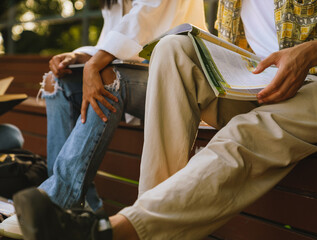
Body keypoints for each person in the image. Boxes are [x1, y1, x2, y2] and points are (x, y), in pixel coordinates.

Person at [12, 0, 317, 239]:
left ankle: (114, 229)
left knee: (244, 133)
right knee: (172, 48)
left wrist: (309, 53)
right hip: (258, 83)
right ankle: (134, 214)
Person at [0, 0, 207, 239]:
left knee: (107, 76)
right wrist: (77, 56)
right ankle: (84, 205)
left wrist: (93, 64)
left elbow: (147, 17)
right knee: (56, 81)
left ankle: (57, 202)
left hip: (178, 79)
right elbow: (110, 40)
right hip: (138, 79)